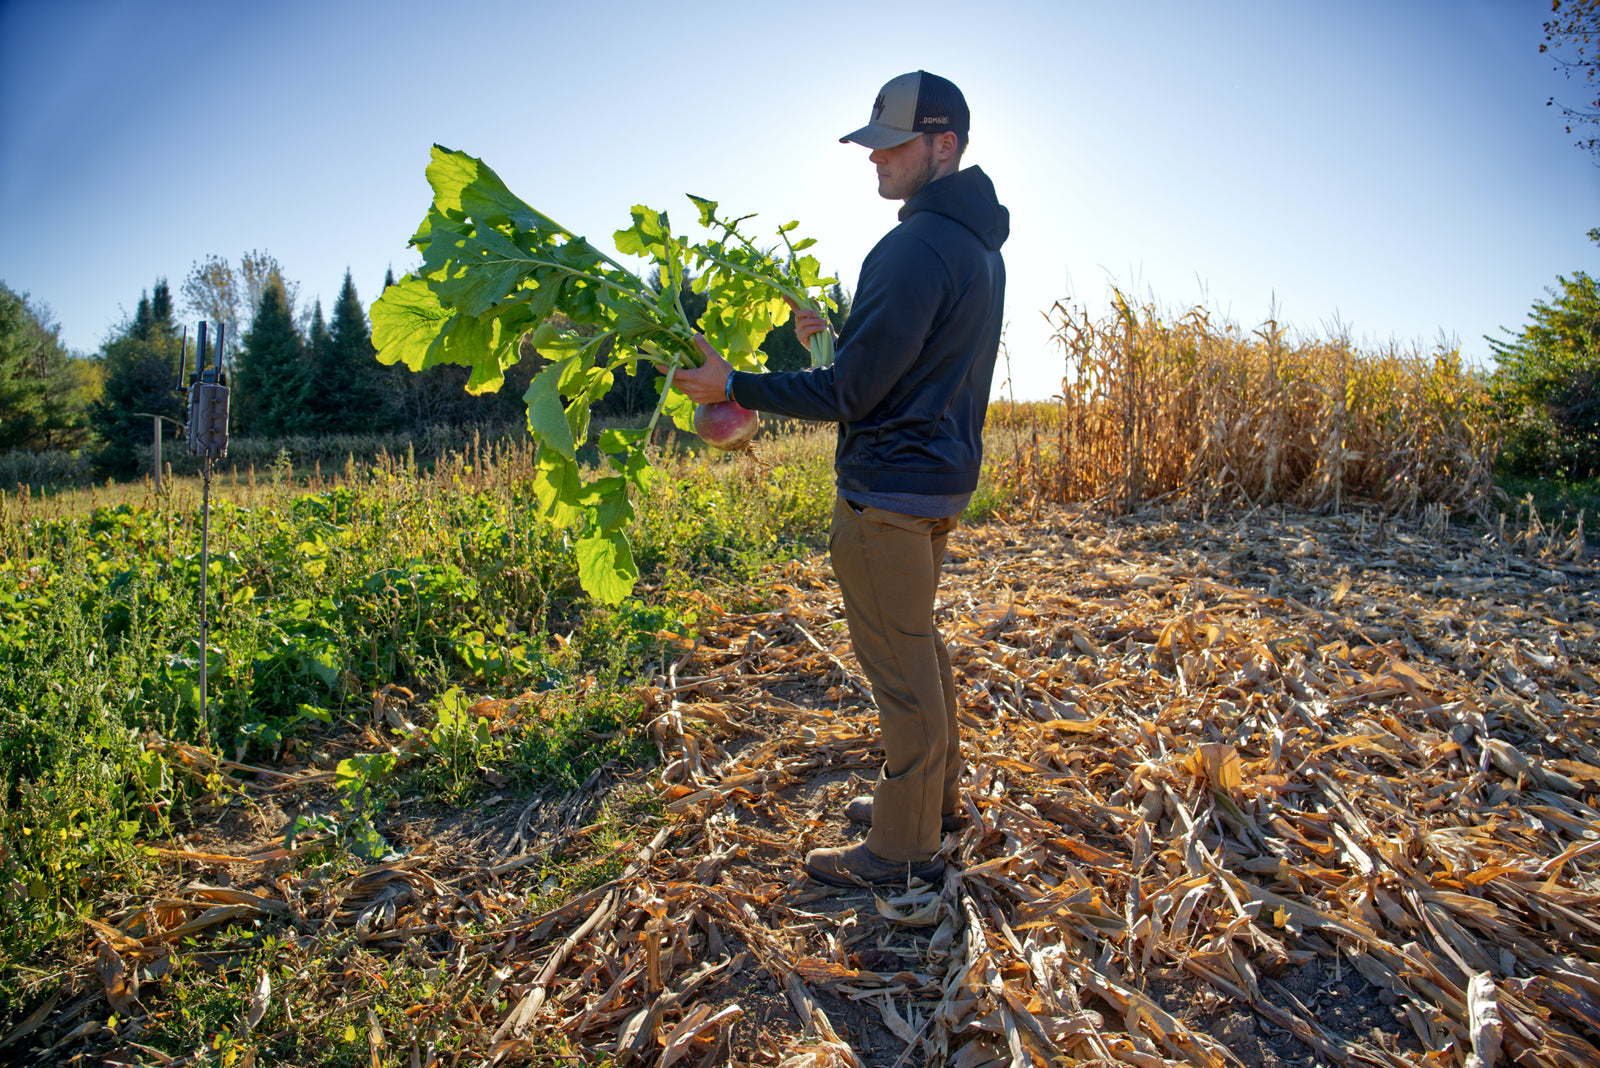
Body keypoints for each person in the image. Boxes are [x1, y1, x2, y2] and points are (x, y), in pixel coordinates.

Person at [667, 70, 1009, 887]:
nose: (876, 160)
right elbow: (901, 363)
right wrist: (844, 334)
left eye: (892, 145)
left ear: (943, 145)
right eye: (871, 144)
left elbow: (852, 393)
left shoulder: (913, 246)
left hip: (886, 494)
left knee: (901, 674)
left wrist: (736, 386)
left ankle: (900, 847)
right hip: (933, 484)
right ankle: (933, 802)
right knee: (919, 650)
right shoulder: (972, 245)